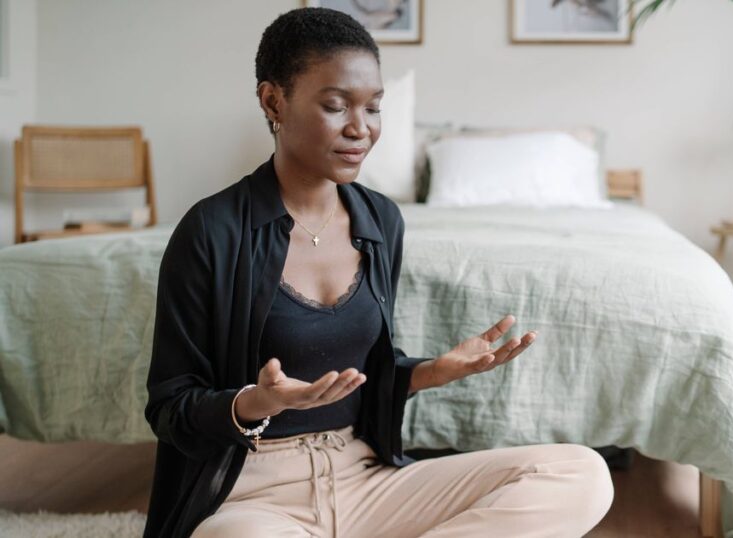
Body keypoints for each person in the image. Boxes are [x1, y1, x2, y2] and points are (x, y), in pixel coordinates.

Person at [142, 7, 614, 537]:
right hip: (254, 493)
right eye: (336, 106)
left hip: (365, 478)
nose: (360, 129)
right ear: (273, 100)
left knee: (580, 473)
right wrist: (256, 402)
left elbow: (366, 376)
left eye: (373, 108)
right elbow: (170, 407)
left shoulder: (380, 220)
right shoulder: (212, 230)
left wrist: (432, 372)